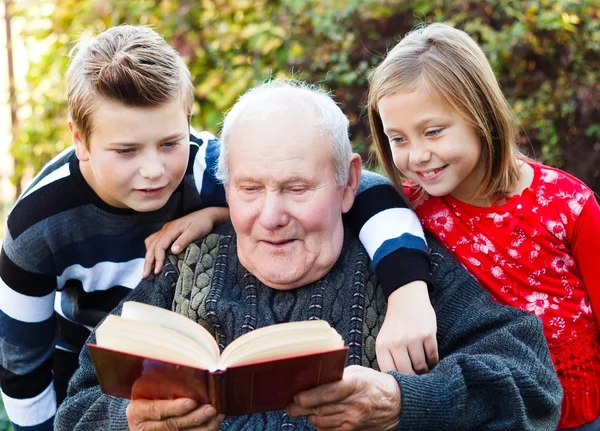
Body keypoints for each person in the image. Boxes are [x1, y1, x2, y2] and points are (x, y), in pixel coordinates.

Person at [55, 79, 562, 431]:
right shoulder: (183, 266)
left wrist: (404, 404)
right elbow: (74, 411)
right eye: (250, 188)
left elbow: (534, 387)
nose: (271, 216)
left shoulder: (403, 271)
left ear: (348, 184)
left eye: (297, 188)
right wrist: (129, 421)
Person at [0, 25, 437, 431]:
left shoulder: (201, 165)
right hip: (85, 350)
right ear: (80, 141)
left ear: (187, 123)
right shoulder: (37, 224)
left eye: (170, 142)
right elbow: (21, 362)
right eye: (126, 150)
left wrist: (408, 292)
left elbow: (368, 193)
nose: (154, 170)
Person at [367, 22, 600, 430]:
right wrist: (216, 207)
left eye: (433, 132)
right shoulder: (408, 208)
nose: (417, 155)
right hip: (490, 413)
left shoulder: (567, 204)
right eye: (398, 139)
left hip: (579, 414)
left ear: (481, 115)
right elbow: (329, 192)